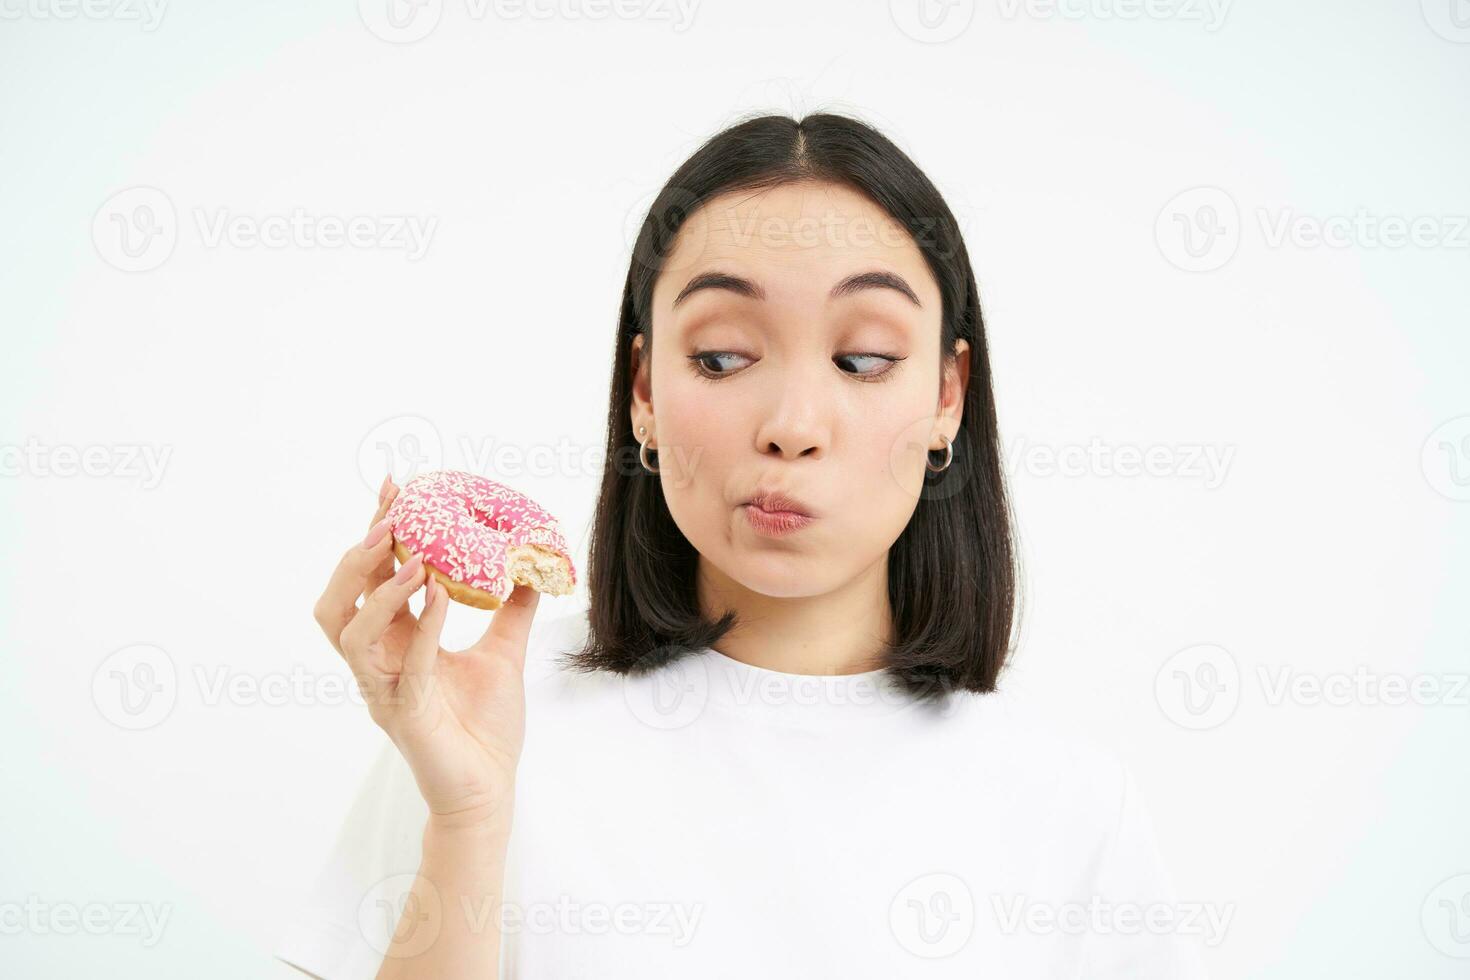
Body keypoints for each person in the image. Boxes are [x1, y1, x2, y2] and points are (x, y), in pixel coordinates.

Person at [275, 112, 1210, 978]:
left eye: (864, 359)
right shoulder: (495, 728)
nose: (793, 425)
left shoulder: (1070, 806)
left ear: (946, 398)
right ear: (643, 389)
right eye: (722, 357)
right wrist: (468, 819)